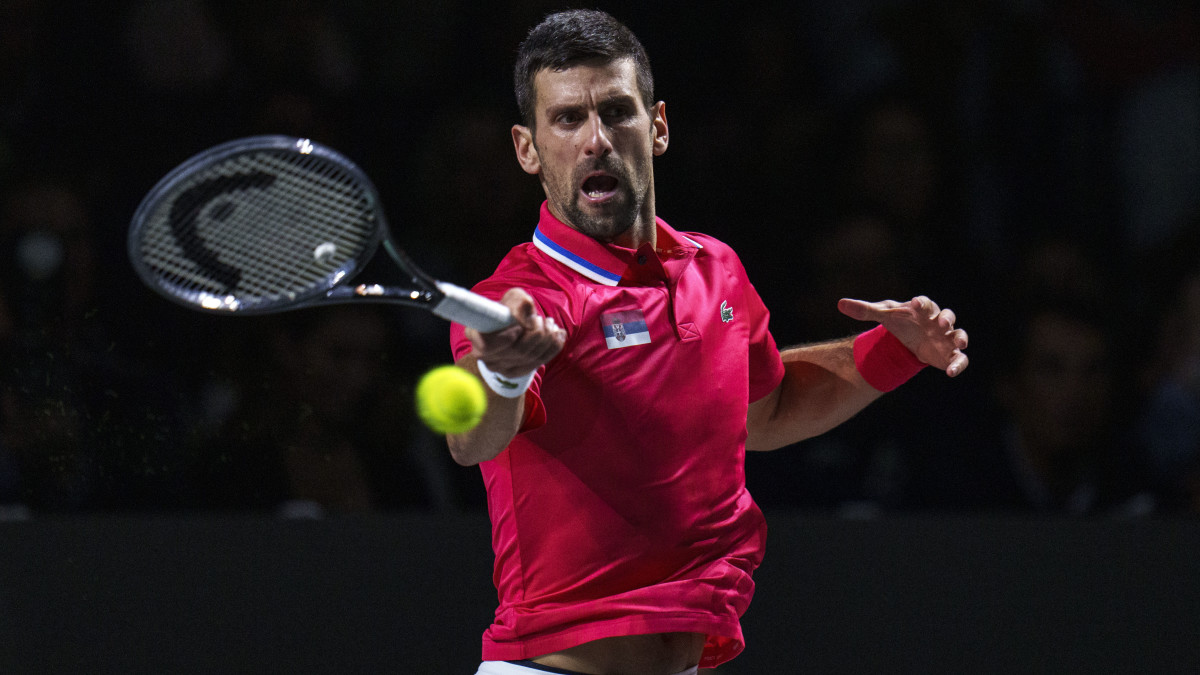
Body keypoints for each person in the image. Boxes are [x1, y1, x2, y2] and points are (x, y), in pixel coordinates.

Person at [447, 11, 969, 675]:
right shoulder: (515, 300)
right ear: (527, 148)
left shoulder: (714, 269)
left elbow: (768, 410)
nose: (596, 140)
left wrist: (894, 353)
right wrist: (503, 376)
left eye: (616, 111)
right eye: (568, 119)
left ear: (657, 125)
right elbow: (473, 442)